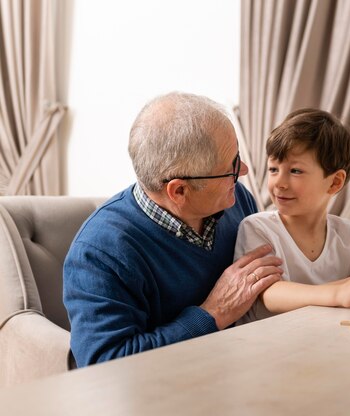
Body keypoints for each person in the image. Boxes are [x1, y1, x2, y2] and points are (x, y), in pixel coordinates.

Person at [63, 92, 285, 367]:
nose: (244, 171)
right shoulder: (100, 252)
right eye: (230, 167)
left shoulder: (237, 200)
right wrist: (213, 314)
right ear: (179, 190)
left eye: (237, 156)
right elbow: (105, 364)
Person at [235, 109, 350, 324]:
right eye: (274, 169)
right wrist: (340, 291)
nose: (279, 183)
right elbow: (270, 294)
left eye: (295, 171)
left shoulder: (344, 233)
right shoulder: (257, 228)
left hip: (318, 342)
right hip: (266, 348)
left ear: (335, 182)